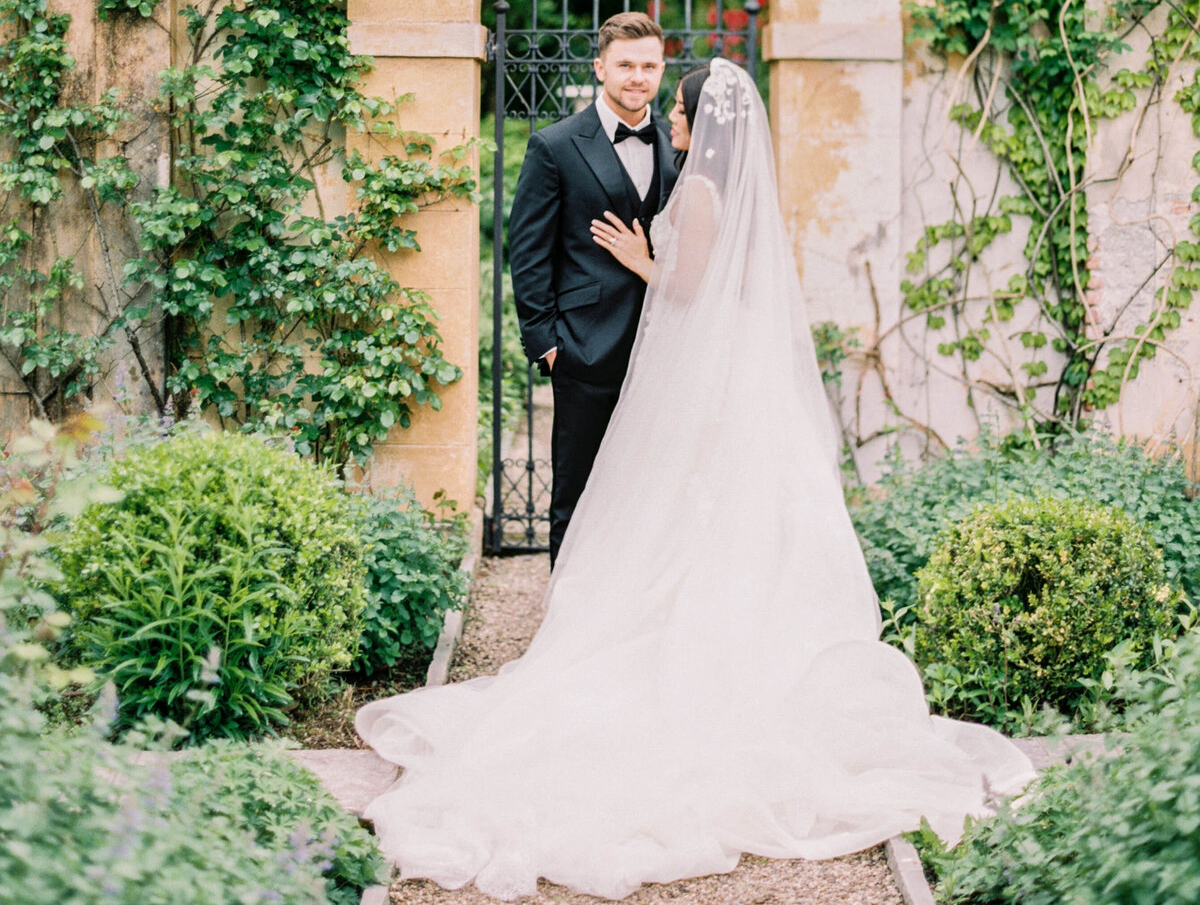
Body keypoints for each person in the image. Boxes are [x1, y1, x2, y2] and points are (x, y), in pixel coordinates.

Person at [357, 59, 1033, 900]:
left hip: (710, 380)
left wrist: (644, 261)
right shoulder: (712, 181)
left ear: (693, 118)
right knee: (713, 522)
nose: (669, 121)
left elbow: (694, 286)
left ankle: (689, 649)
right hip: (706, 377)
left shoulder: (705, 191)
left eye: (675, 107)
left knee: (690, 517)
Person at [506, 11, 680, 564]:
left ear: (661, 69)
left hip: (669, 352)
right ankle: (565, 622)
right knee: (577, 496)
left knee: (654, 495)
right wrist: (548, 345)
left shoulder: (681, 150)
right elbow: (528, 251)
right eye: (625, 64)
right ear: (600, 66)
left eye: (649, 65)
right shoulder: (555, 146)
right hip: (585, 349)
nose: (637, 76)